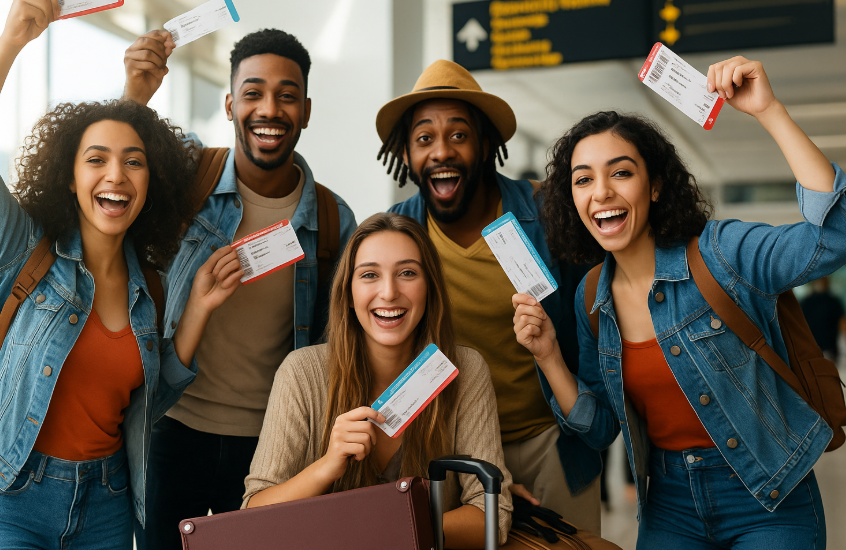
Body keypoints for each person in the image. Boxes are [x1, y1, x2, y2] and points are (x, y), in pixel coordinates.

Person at [513, 56, 843, 548]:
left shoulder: (721, 252)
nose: (601, 192)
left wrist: (769, 110)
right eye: (583, 179)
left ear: (657, 185)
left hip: (767, 493)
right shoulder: (591, 298)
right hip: (669, 506)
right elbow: (600, 427)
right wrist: (547, 356)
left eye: (620, 173)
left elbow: (833, 237)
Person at [0, 1, 243, 547]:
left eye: (134, 162)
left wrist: (199, 308)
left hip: (108, 504)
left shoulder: (150, 285)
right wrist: (12, 38)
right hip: (14, 495)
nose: (116, 174)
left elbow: (145, 404)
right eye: (96, 161)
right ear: (68, 177)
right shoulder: (26, 251)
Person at [121, 28, 357, 548]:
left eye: (286, 95)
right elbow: (111, 174)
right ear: (230, 104)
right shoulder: (186, 175)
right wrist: (134, 92)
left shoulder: (334, 220)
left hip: (270, 444)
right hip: (170, 427)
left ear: (307, 110)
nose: (269, 109)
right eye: (252, 93)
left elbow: (332, 346)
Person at [380, 59, 601, 533]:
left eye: (459, 135)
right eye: (424, 139)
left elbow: (599, 317)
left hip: (551, 440)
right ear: (405, 152)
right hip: (449, 445)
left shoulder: (546, 214)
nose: (441, 151)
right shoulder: (398, 232)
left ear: (486, 145)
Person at [243, 213, 513, 548]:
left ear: (430, 287)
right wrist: (326, 466)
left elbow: (492, 516)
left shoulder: (465, 369)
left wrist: (380, 533)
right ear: (348, 290)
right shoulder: (300, 373)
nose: (388, 292)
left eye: (408, 273)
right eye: (370, 274)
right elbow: (253, 516)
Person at [800, 277, 846, 362]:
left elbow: (842, 323)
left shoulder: (832, 301)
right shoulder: (806, 302)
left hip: (823, 349)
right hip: (815, 349)